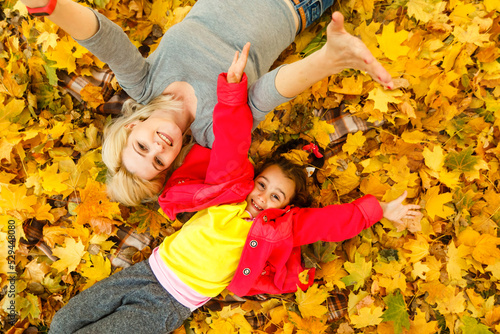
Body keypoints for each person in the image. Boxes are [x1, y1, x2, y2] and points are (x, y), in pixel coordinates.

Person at [48, 46, 419, 334]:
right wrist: (230, 90)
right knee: (62, 325)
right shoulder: (229, 190)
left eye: (276, 197)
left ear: (287, 206)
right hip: (147, 271)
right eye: (262, 185)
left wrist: (381, 210)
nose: (262, 197)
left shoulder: (281, 227)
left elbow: (331, 223)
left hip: (172, 302)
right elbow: (231, 143)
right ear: (253, 179)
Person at [20, 0, 395, 206]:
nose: (159, 148)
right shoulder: (215, 131)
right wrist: (326, 59)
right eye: (159, 161)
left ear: (132, 126)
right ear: (171, 165)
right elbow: (271, 91)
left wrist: (51, 6)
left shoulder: (144, 84)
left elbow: (105, 40)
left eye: (142, 146)